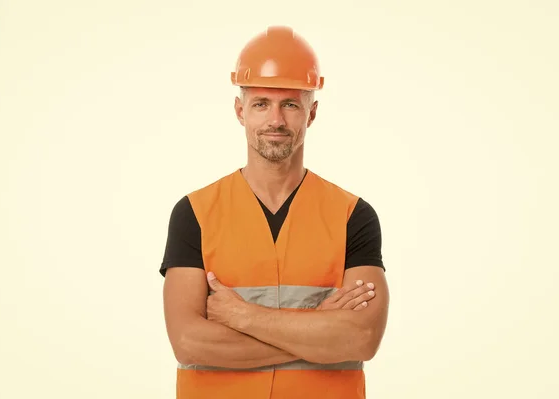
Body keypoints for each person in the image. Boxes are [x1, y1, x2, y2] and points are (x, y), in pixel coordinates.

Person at [159, 25, 390, 399]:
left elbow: (360, 338)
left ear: (311, 113)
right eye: (261, 104)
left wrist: (243, 317)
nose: (276, 121)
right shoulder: (195, 213)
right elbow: (189, 343)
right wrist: (319, 332)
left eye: (290, 104)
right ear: (240, 111)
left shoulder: (353, 215)